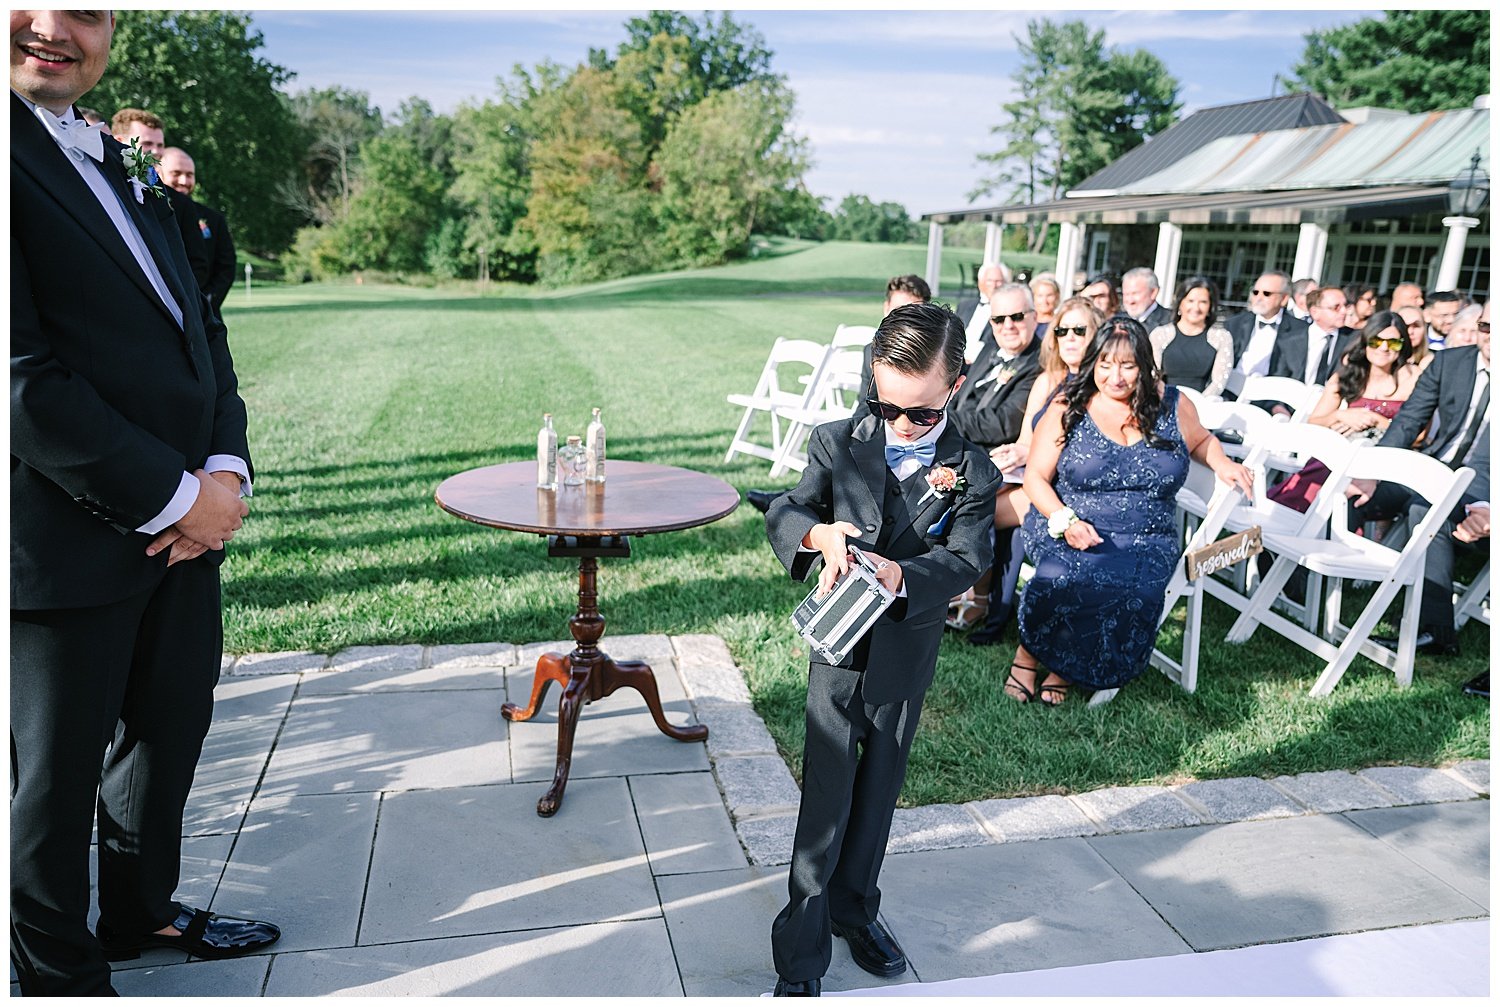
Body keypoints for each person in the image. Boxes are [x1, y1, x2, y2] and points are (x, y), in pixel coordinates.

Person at [11, 10, 279, 995]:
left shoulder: (123, 160)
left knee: (166, 733)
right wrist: (172, 495)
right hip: (60, 531)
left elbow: (195, 333)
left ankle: (138, 911)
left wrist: (225, 471)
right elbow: (18, 379)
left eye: (82, 8)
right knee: (53, 779)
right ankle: (57, 976)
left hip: (185, 536)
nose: (53, 28)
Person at [764, 302, 1001, 995]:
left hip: (906, 652)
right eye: (885, 403)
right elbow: (788, 508)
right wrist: (819, 536)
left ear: (955, 386)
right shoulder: (837, 441)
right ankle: (801, 948)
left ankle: (856, 908)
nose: (902, 424)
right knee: (827, 799)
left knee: (878, 794)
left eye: (921, 413)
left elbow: (967, 556)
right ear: (871, 378)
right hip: (836, 653)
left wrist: (908, 574)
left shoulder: (973, 471)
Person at [1010, 318, 1253, 704]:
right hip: (1070, 518)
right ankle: (1028, 654)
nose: (1115, 377)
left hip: (1148, 534)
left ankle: (1062, 666)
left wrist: (1222, 463)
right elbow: (1036, 479)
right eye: (1105, 364)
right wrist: (1066, 521)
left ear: (1144, 364)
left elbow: (1203, 439)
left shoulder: (1173, 404)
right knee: (1063, 575)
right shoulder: (1069, 405)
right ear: (1093, 363)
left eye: (1127, 365)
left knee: (1130, 585)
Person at [1347, 300, 1489, 660]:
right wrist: (1371, 473)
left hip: (1481, 487)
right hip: (1430, 466)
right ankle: (1312, 588)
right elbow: (1409, 420)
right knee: (1350, 493)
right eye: (1485, 326)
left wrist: (1490, 506)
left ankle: (1436, 631)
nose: (1488, 337)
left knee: (1426, 512)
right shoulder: (1452, 362)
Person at [955, 297, 1102, 641]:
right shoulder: (1049, 379)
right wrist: (1016, 453)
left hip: (1065, 488)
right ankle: (984, 605)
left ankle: (980, 602)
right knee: (975, 497)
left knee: (977, 508)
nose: (1069, 337)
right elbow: (1026, 440)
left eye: (1080, 330)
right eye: (1062, 330)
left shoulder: (1102, 384)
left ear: (1098, 334)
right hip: (1034, 476)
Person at [746, 276, 929, 516]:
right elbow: (865, 404)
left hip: (918, 431)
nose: (904, 319)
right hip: (879, 424)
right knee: (839, 442)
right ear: (886, 309)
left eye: (913, 311)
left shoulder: (937, 359)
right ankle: (794, 502)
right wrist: (859, 433)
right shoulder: (871, 351)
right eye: (898, 311)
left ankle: (787, 503)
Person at [1265, 312, 1422, 514]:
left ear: (1402, 345)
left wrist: (1376, 420)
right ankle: (1274, 523)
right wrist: (1340, 416)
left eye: (1393, 343)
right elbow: (1313, 422)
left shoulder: (1413, 377)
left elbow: (1421, 436)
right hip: (1340, 453)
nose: (1383, 348)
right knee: (1315, 478)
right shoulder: (1349, 373)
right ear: (1365, 342)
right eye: (1377, 341)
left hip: (1384, 462)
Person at [110, 107, 210, 294]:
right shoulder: (104, 190)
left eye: (160, 145)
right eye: (147, 143)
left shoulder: (180, 203)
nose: (156, 152)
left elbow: (196, 264)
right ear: (119, 142)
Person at [947, 282, 1044, 450]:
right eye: (999, 319)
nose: (1008, 326)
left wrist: (943, 421)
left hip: (985, 453)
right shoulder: (990, 348)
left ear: (1034, 318)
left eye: (1017, 317)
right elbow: (959, 392)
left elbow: (1004, 423)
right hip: (953, 438)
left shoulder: (1040, 363)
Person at [159, 146, 238, 312]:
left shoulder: (213, 219)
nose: (184, 181)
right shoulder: (148, 215)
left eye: (189, 175)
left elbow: (226, 267)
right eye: (176, 173)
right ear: (159, 172)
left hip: (204, 314)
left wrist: (204, 303)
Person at [1149, 276, 1234, 397]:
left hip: (1203, 404)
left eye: (1203, 302)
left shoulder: (1222, 337)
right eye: (1190, 301)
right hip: (1163, 399)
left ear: (1210, 307)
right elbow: (1153, 375)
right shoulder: (1160, 335)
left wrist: (1197, 404)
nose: (1196, 308)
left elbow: (1218, 383)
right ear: (1180, 303)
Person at [1223, 270, 1308, 383]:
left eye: (1266, 293)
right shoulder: (1235, 323)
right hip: (1232, 388)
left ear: (1284, 299)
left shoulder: (1300, 330)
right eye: (1255, 292)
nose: (1259, 298)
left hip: (1272, 393)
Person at [1272, 285, 1349, 387]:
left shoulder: (1353, 339)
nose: (1344, 311)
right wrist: (1277, 403)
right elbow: (1278, 378)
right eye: (1336, 307)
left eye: (1345, 306)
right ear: (1315, 312)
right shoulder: (1289, 341)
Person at [958, 262, 1011, 363]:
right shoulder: (964, 306)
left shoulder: (1008, 312)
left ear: (1006, 283)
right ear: (980, 283)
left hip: (982, 364)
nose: (994, 285)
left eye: (998, 281)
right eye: (989, 280)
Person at [1122, 266, 1174, 332]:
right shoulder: (1117, 321)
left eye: (1135, 294)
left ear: (1153, 292)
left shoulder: (1171, 321)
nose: (1130, 301)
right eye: (1126, 294)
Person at [1030, 271, 1061, 336]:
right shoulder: (1027, 322)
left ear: (1057, 296)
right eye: (1040, 295)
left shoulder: (1061, 323)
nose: (1044, 301)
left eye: (1049, 295)